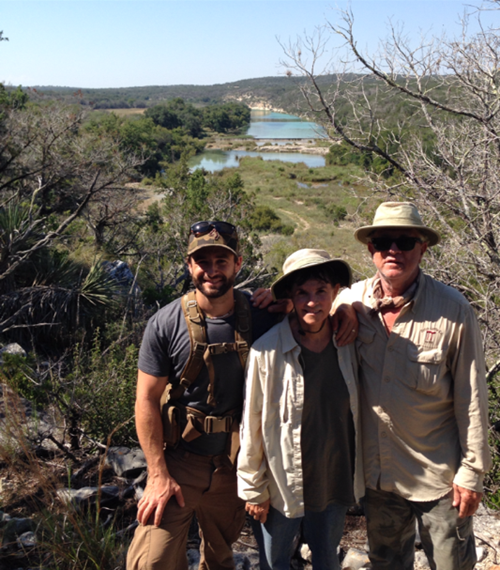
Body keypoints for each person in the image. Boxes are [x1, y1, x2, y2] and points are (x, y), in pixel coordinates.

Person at [126, 223, 357, 570]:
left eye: (222, 260)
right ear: (189, 266)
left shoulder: (263, 314)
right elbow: (145, 399)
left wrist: (348, 310)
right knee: (151, 561)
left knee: (220, 561)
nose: (212, 270)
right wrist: (157, 473)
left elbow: (313, 307)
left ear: (238, 264)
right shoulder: (165, 323)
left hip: (232, 470)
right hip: (181, 463)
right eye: (202, 261)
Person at [337, 202, 491, 570]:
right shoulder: (351, 300)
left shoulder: (453, 310)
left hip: (440, 478)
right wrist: (270, 303)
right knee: (387, 564)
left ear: (422, 248)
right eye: (384, 241)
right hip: (380, 477)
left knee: (451, 565)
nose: (394, 250)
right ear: (370, 249)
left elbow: (472, 398)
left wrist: (472, 472)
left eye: (405, 241)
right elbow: (305, 311)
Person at [237, 249, 364, 570]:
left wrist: (350, 309)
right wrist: (253, 488)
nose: (312, 302)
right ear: (290, 298)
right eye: (302, 293)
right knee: (274, 562)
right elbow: (251, 425)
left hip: (334, 478)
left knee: (326, 559)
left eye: (321, 291)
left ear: (335, 292)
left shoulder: (349, 343)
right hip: (282, 484)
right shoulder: (267, 351)